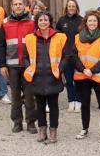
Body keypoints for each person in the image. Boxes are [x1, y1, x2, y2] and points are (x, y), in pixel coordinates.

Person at [23, 11, 68, 143]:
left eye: (46, 20)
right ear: (37, 22)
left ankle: (53, 131)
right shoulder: (30, 38)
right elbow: (25, 57)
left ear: (50, 22)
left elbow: (66, 56)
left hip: (53, 77)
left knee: (53, 106)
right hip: (36, 77)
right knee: (40, 106)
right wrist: (29, 68)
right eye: (40, 20)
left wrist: (59, 69)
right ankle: (42, 130)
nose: (43, 22)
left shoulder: (60, 37)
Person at [72, 10, 100, 144]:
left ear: (99, 22)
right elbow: (73, 56)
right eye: (89, 20)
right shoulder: (78, 37)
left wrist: (92, 70)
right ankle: (84, 129)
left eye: (94, 21)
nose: (92, 23)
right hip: (83, 75)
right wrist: (83, 69)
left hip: (98, 76)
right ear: (85, 22)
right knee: (85, 104)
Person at [0, 0, 37, 134]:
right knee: (15, 95)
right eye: (15, 4)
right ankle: (17, 122)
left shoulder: (33, 21)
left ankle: (31, 123)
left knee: (29, 95)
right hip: (12, 65)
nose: (18, 6)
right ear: (12, 6)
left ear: (24, 5)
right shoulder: (5, 22)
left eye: (20, 4)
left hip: (28, 65)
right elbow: (1, 45)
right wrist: (2, 64)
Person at [56, 0, 83, 112]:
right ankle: (71, 101)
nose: (71, 8)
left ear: (76, 8)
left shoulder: (82, 20)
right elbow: (57, 37)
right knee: (68, 79)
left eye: (73, 6)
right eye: (69, 6)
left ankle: (79, 101)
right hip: (66, 55)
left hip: (79, 55)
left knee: (78, 80)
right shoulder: (62, 21)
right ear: (66, 8)